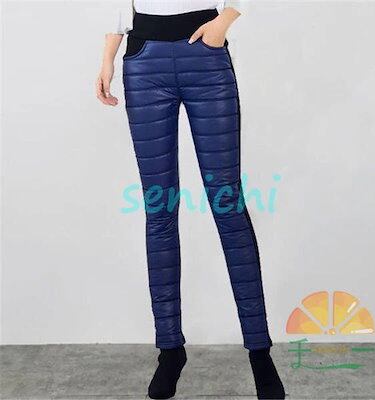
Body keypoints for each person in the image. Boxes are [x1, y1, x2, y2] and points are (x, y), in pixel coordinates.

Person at [96, 1, 285, 398]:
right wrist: (107, 57)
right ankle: (169, 350)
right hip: (144, 64)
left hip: (206, 58)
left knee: (227, 205)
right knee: (159, 210)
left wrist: (224, 21)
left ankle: (259, 351)